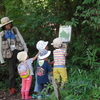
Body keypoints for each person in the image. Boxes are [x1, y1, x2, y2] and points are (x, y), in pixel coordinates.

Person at [0, 17, 28, 95]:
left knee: (23, 69)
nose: (8, 25)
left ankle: (24, 86)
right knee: (12, 72)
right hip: (9, 55)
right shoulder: (1, 34)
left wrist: (26, 52)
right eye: (6, 24)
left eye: (9, 23)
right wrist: (2, 61)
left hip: (19, 51)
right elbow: (0, 48)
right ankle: (12, 88)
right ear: (4, 26)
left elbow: (22, 41)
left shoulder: (15, 30)